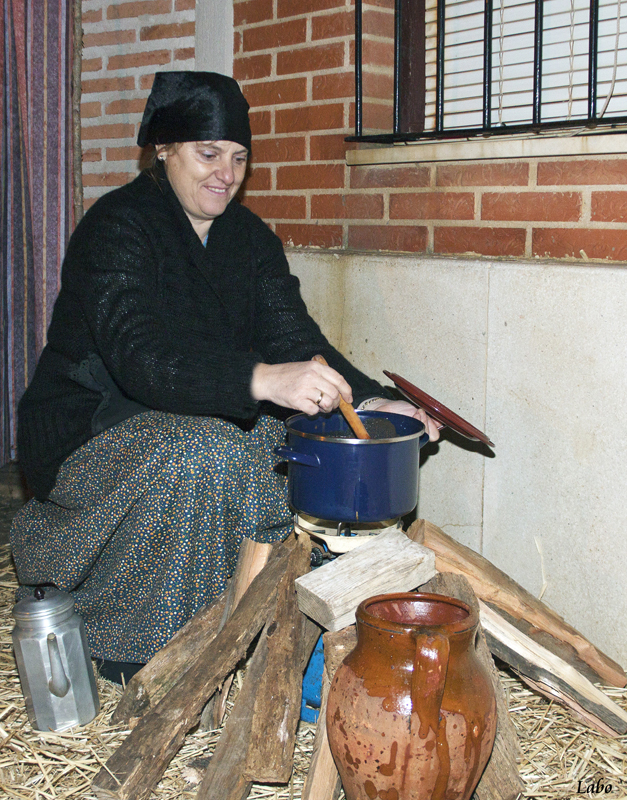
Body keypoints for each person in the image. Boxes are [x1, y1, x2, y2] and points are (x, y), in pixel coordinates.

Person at [10, 71, 439, 683]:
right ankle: (134, 646)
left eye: (239, 158)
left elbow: (298, 341)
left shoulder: (249, 238)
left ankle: (247, 621)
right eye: (208, 154)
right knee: (207, 452)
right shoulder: (117, 226)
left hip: (201, 408)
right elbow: (140, 357)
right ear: (164, 150)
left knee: (291, 447)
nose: (226, 173)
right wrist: (261, 380)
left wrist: (373, 402)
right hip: (91, 426)